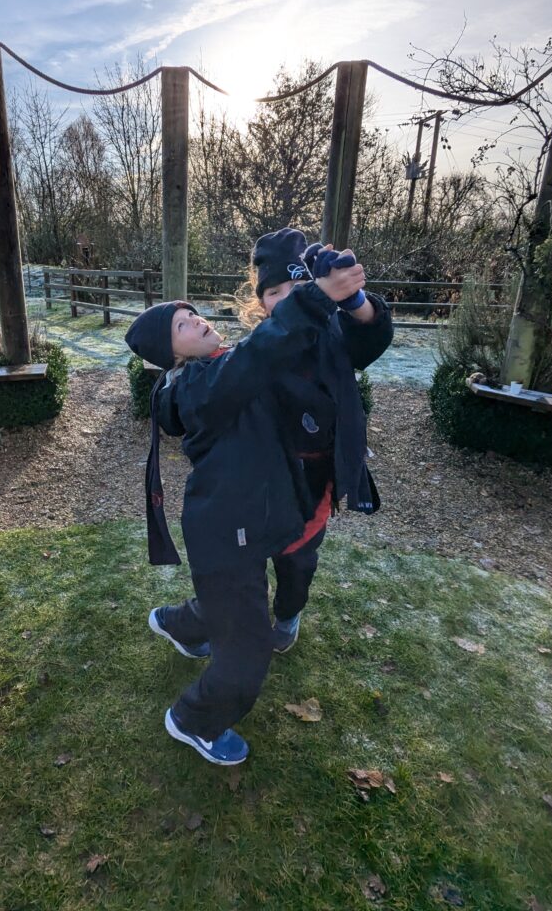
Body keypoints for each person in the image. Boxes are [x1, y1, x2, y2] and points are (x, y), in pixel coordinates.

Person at [125, 243, 391, 766]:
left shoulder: (225, 363)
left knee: (239, 604)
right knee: (247, 653)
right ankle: (192, 720)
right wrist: (314, 298)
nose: (199, 323)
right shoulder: (196, 384)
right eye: (183, 325)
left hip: (255, 519)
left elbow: (299, 360)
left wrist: (350, 303)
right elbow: (260, 356)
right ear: (171, 354)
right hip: (226, 534)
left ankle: (177, 624)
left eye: (195, 314)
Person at [235, 227, 393, 655]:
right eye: (276, 291)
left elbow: (371, 335)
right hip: (262, 478)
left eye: (299, 285)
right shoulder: (255, 346)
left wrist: (354, 301)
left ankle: (287, 613)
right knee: (249, 556)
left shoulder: (334, 336)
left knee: (298, 560)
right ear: (261, 301)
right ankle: (241, 618)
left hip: (315, 477)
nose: (288, 297)